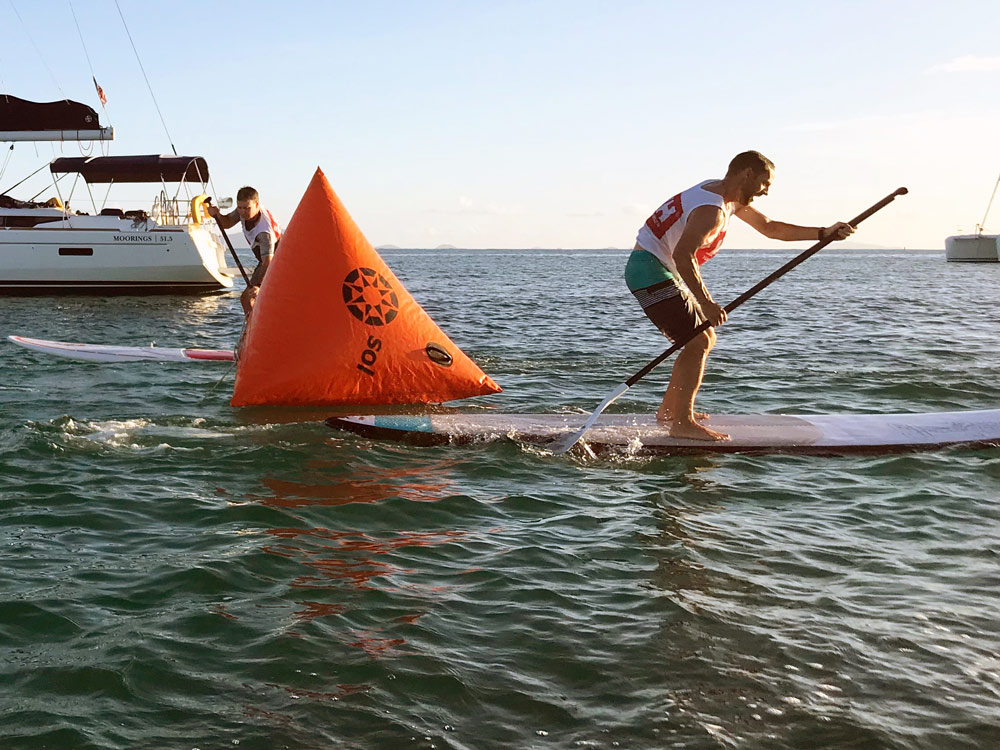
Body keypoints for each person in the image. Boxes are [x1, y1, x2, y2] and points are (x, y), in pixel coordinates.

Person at [626, 150, 854, 442]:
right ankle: (681, 422)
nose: (766, 191)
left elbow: (771, 228)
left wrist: (823, 233)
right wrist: (707, 302)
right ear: (746, 174)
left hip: (653, 269)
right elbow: (684, 255)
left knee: (701, 339)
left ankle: (671, 412)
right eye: (764, 183)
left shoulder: (722, 195)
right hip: (651, 271)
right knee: (698, 340)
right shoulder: (711, 209)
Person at [207, 186, 282, 318]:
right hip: (265, 261)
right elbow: (227, 223)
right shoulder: (243, 210)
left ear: (256, 204)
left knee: (250, 298)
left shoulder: (264, 232)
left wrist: (258, 286)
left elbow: (268, 262)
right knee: (245, 300)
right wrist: (217, 215)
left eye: (247, 208)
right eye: (240, 208)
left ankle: (258, 326)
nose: (242, 212)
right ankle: (251, 327)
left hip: (277, 262)